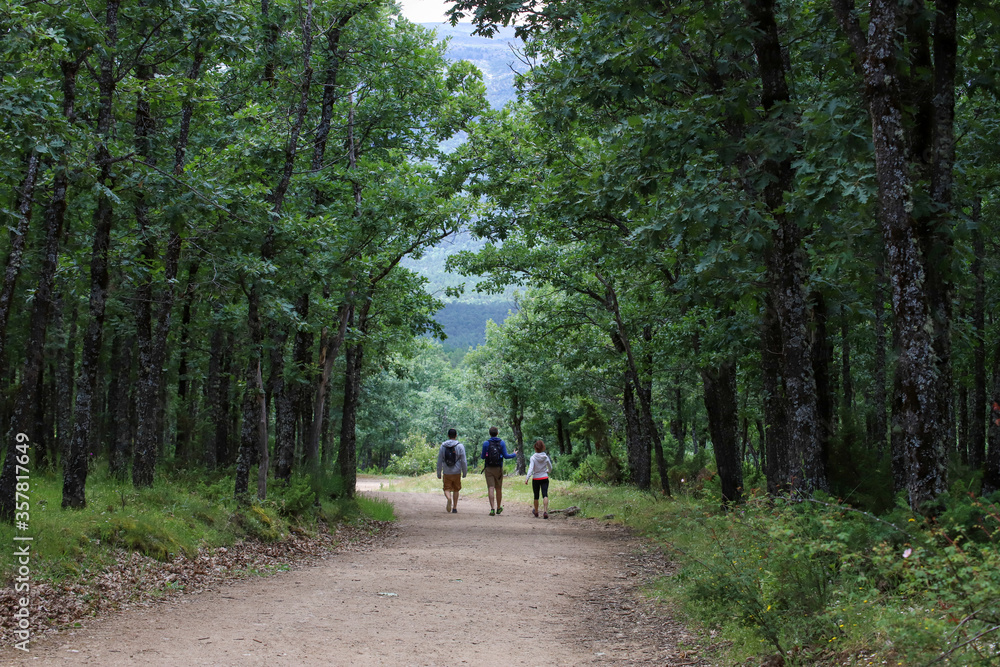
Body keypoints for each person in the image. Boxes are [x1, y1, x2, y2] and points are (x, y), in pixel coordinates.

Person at [481, 426, 517, 516]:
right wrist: (514, 454)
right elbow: (506, 456)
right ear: (497, 433)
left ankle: (492, 508)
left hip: (488, 468)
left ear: (489, 434)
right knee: (498, 488)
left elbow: (482, 457)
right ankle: (498, 507)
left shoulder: (486, 443)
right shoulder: (502, 443)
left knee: (491, 488)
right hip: (498, 468)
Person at [437, 428, 467, 513]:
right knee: (456, 489)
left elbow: (439, 460)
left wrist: (439, 473)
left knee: (447, 488)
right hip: (457, 471)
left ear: (448, 435)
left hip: (447, 471)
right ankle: (454, 508)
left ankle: (449, 498)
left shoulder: (443, 446)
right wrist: (464, 472)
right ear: (456, 435)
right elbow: (464, 461)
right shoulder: (460, 446)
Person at [524, 439, 554, 519]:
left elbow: (531, 468)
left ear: (535, 448)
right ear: (543, 448)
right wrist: (548, 471)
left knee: (536, 496)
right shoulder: (546, 457)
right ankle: (545, 511)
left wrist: (527, 478)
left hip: (536, 478)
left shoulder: (533, 457)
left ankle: (536, 511)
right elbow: (550, 467)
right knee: (545, 494)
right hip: (544, 477)